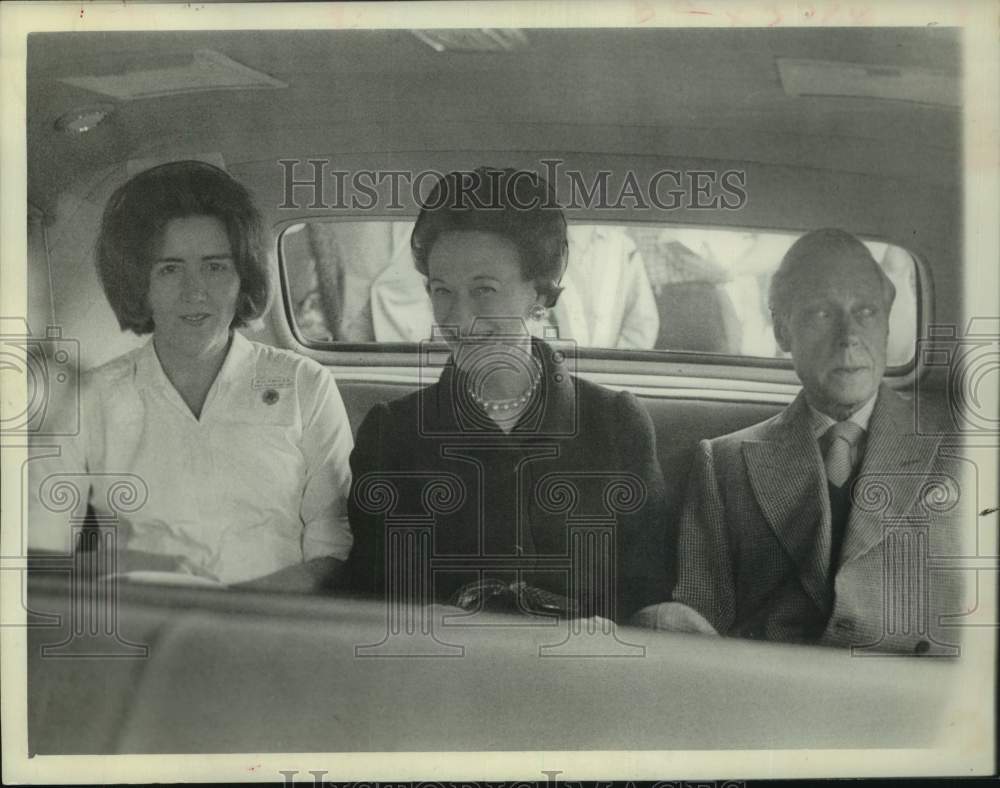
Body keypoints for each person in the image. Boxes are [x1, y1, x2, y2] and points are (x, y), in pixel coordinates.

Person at [347, 168, 668, 621]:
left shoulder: (615, 424)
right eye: (442, 291)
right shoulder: (392, 433)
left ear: (538, 293)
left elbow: (647, 592)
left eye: (484, 290)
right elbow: (369, 599)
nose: (459, 318)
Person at [28, 160, 353, 592]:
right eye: (170, 268)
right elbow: (39, 553)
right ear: (138, 282)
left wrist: (236, 607)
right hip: (143, 633)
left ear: (243, 276)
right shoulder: (90, 400)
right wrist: (133, 570)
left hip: (275, 631)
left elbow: (334, 549)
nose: (194, 291)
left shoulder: (304, 384)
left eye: (215, 266)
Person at [641, 228, 965, 653]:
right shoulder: (723, 463)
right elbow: (701, 628)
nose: (849, 336)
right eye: (822, 314)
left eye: (866, 311)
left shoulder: (964, 454)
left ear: (886, 324)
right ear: (782, 331)